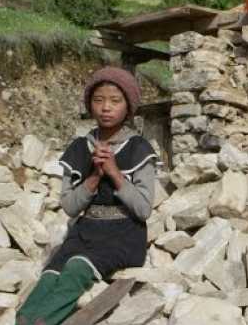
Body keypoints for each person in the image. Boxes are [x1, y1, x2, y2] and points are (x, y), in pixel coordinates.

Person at [16, 67, 157, 325]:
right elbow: (70, 206)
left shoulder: (139, 149)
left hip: (124, 234)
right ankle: (23, 319)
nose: (106, 108)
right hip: (85, 230)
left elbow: (144, 209)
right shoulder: (79, 148)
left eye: (115, 101)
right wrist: (93, 177)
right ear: (90, 105)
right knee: (51, 274)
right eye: (98, 100)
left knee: (76, 268)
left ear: (128, 107)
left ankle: (43, 322)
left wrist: (115, 174)